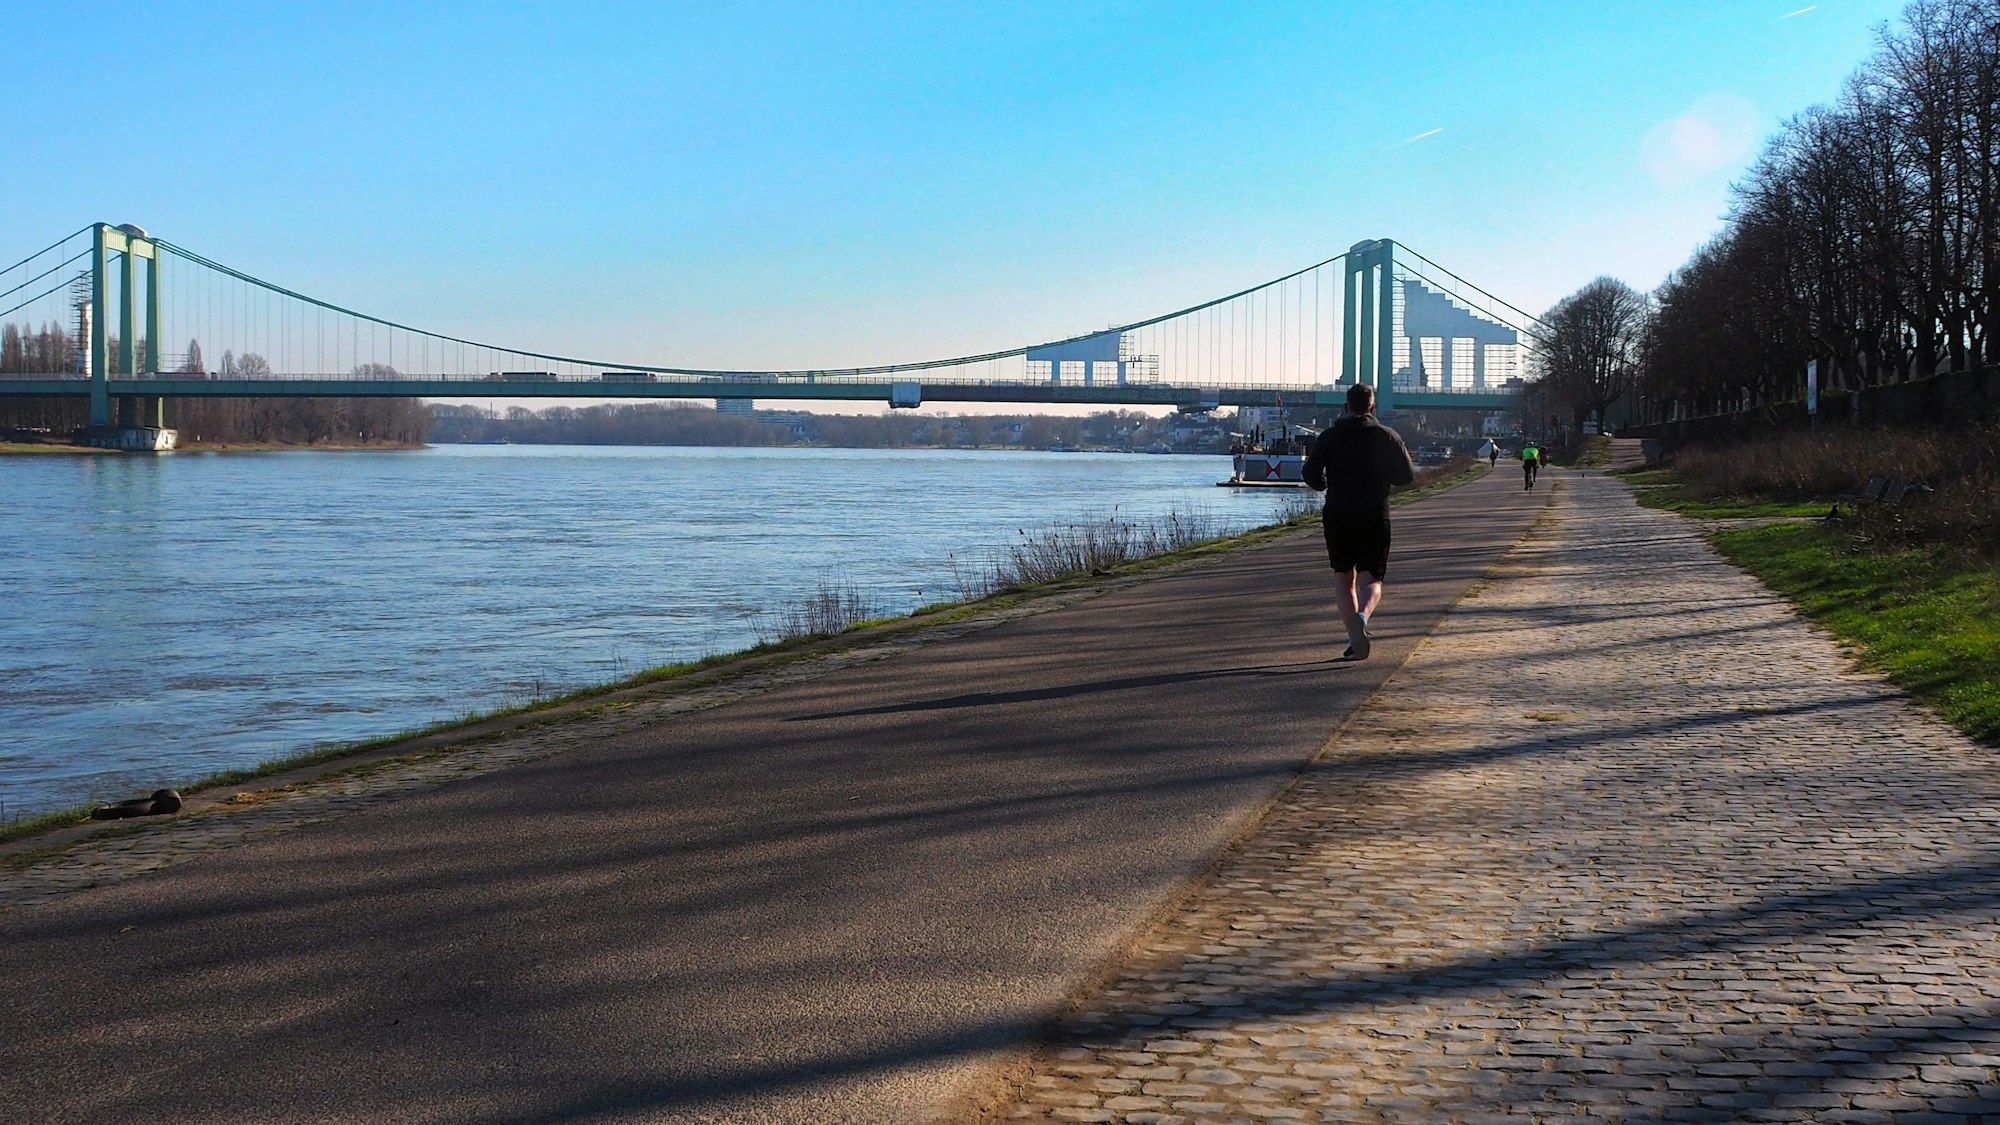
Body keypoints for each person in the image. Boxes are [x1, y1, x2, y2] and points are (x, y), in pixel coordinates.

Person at [1302, 383, 1415, 661]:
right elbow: (1407, 476)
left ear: (1345, 407)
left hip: (1338, 513)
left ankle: (1354, 639)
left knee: (1343, 577)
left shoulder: (1329, 437)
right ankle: (1362, 618)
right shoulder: (1388, 436)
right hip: (1375, 513)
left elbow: (1310, 473)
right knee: (1372, 579)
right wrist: (1383, 480)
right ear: (1372, 407)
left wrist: (1323, 483)